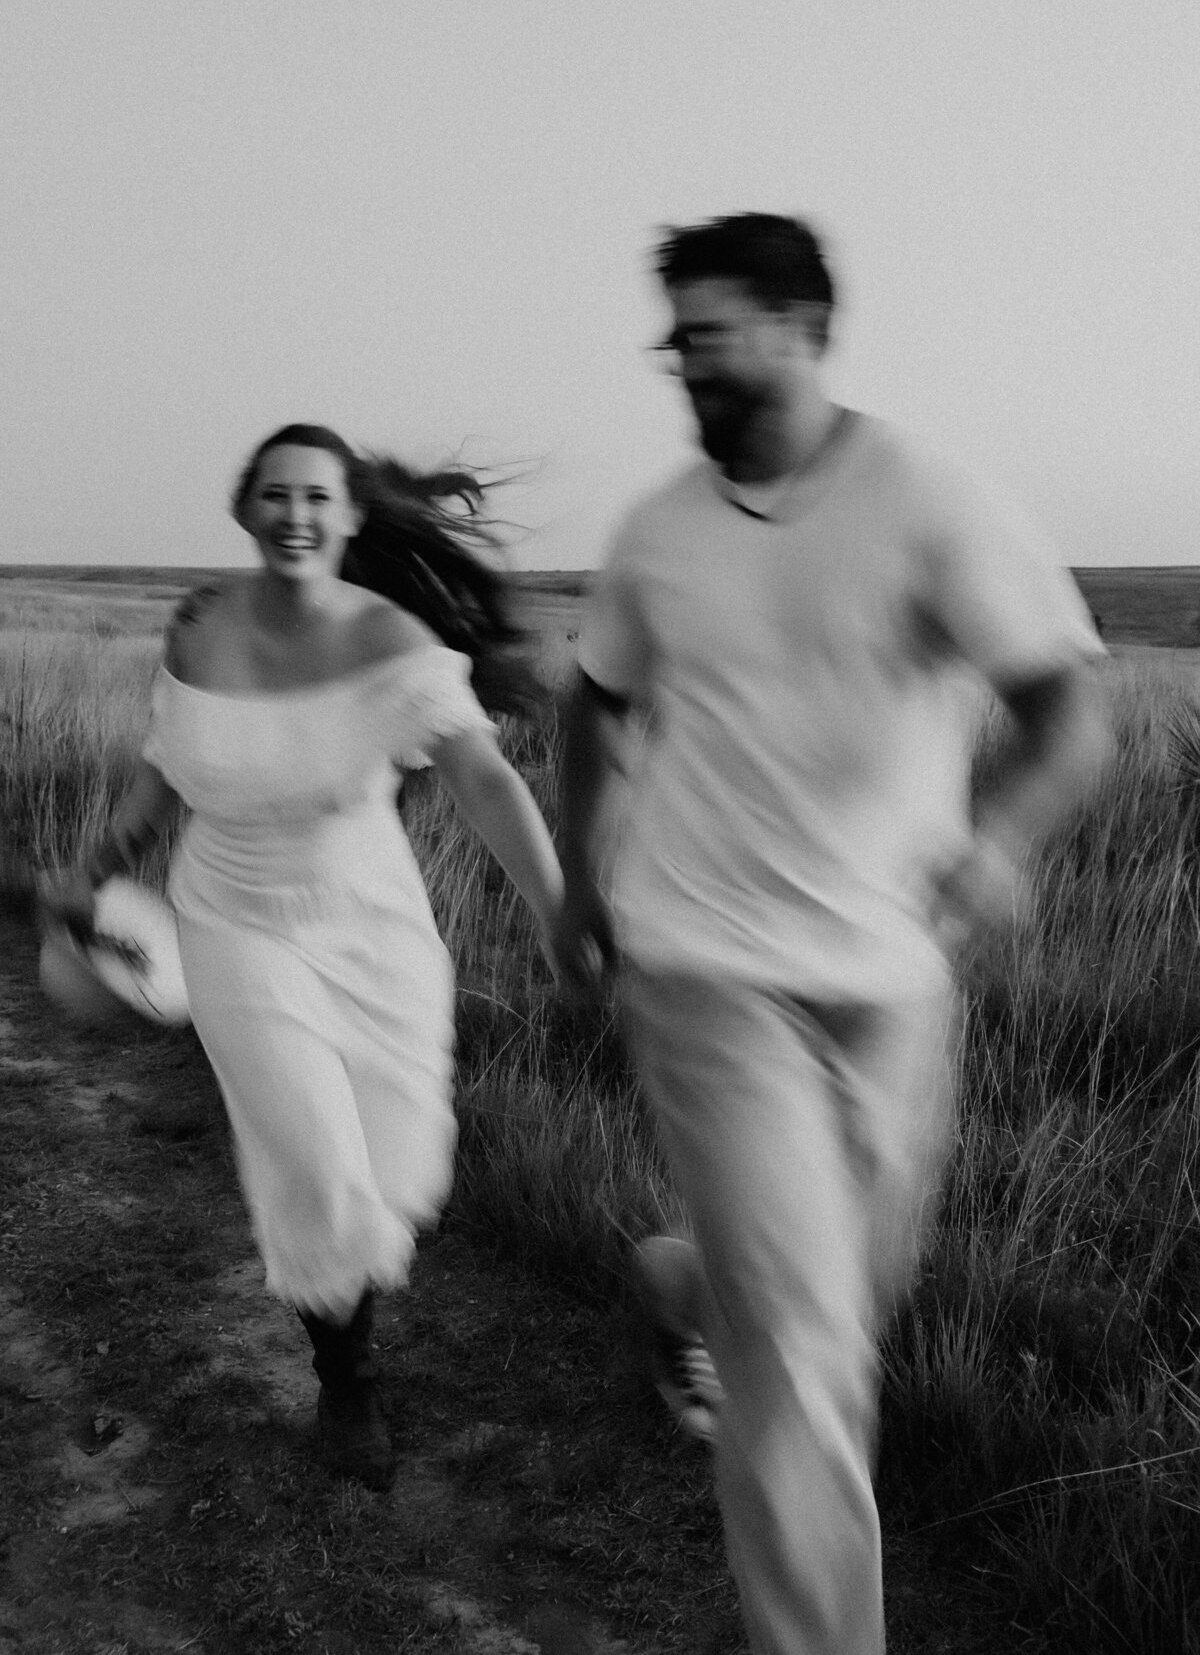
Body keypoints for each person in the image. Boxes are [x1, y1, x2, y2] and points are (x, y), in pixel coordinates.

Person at [553, 215, 1110, 1655]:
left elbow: (1068, 711)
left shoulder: (931, 499)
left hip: (887, 979)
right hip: (702, 965)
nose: (688, 361)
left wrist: (995, 839)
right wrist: (580, 881)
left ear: (806, 328)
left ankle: (682, 1277)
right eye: (677, 335)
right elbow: (593, 701)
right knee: (801, 1360)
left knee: (849, 1295)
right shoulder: (659, 529)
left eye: (715, 330)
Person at [41, 423, 563, 1491]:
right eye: (275, 496)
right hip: (233, 927)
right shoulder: (199, 633)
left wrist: (559, 915)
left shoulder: (395, 645)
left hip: (370, 928)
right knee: (314, 1164)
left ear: (351, 514)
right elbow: (164, 773)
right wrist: (96, 868)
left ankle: (344, 1294)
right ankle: (348, 1378)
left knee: (396, 1169)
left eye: (317, 497)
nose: (296, 515)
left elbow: (486, 783)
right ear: (246, 510)